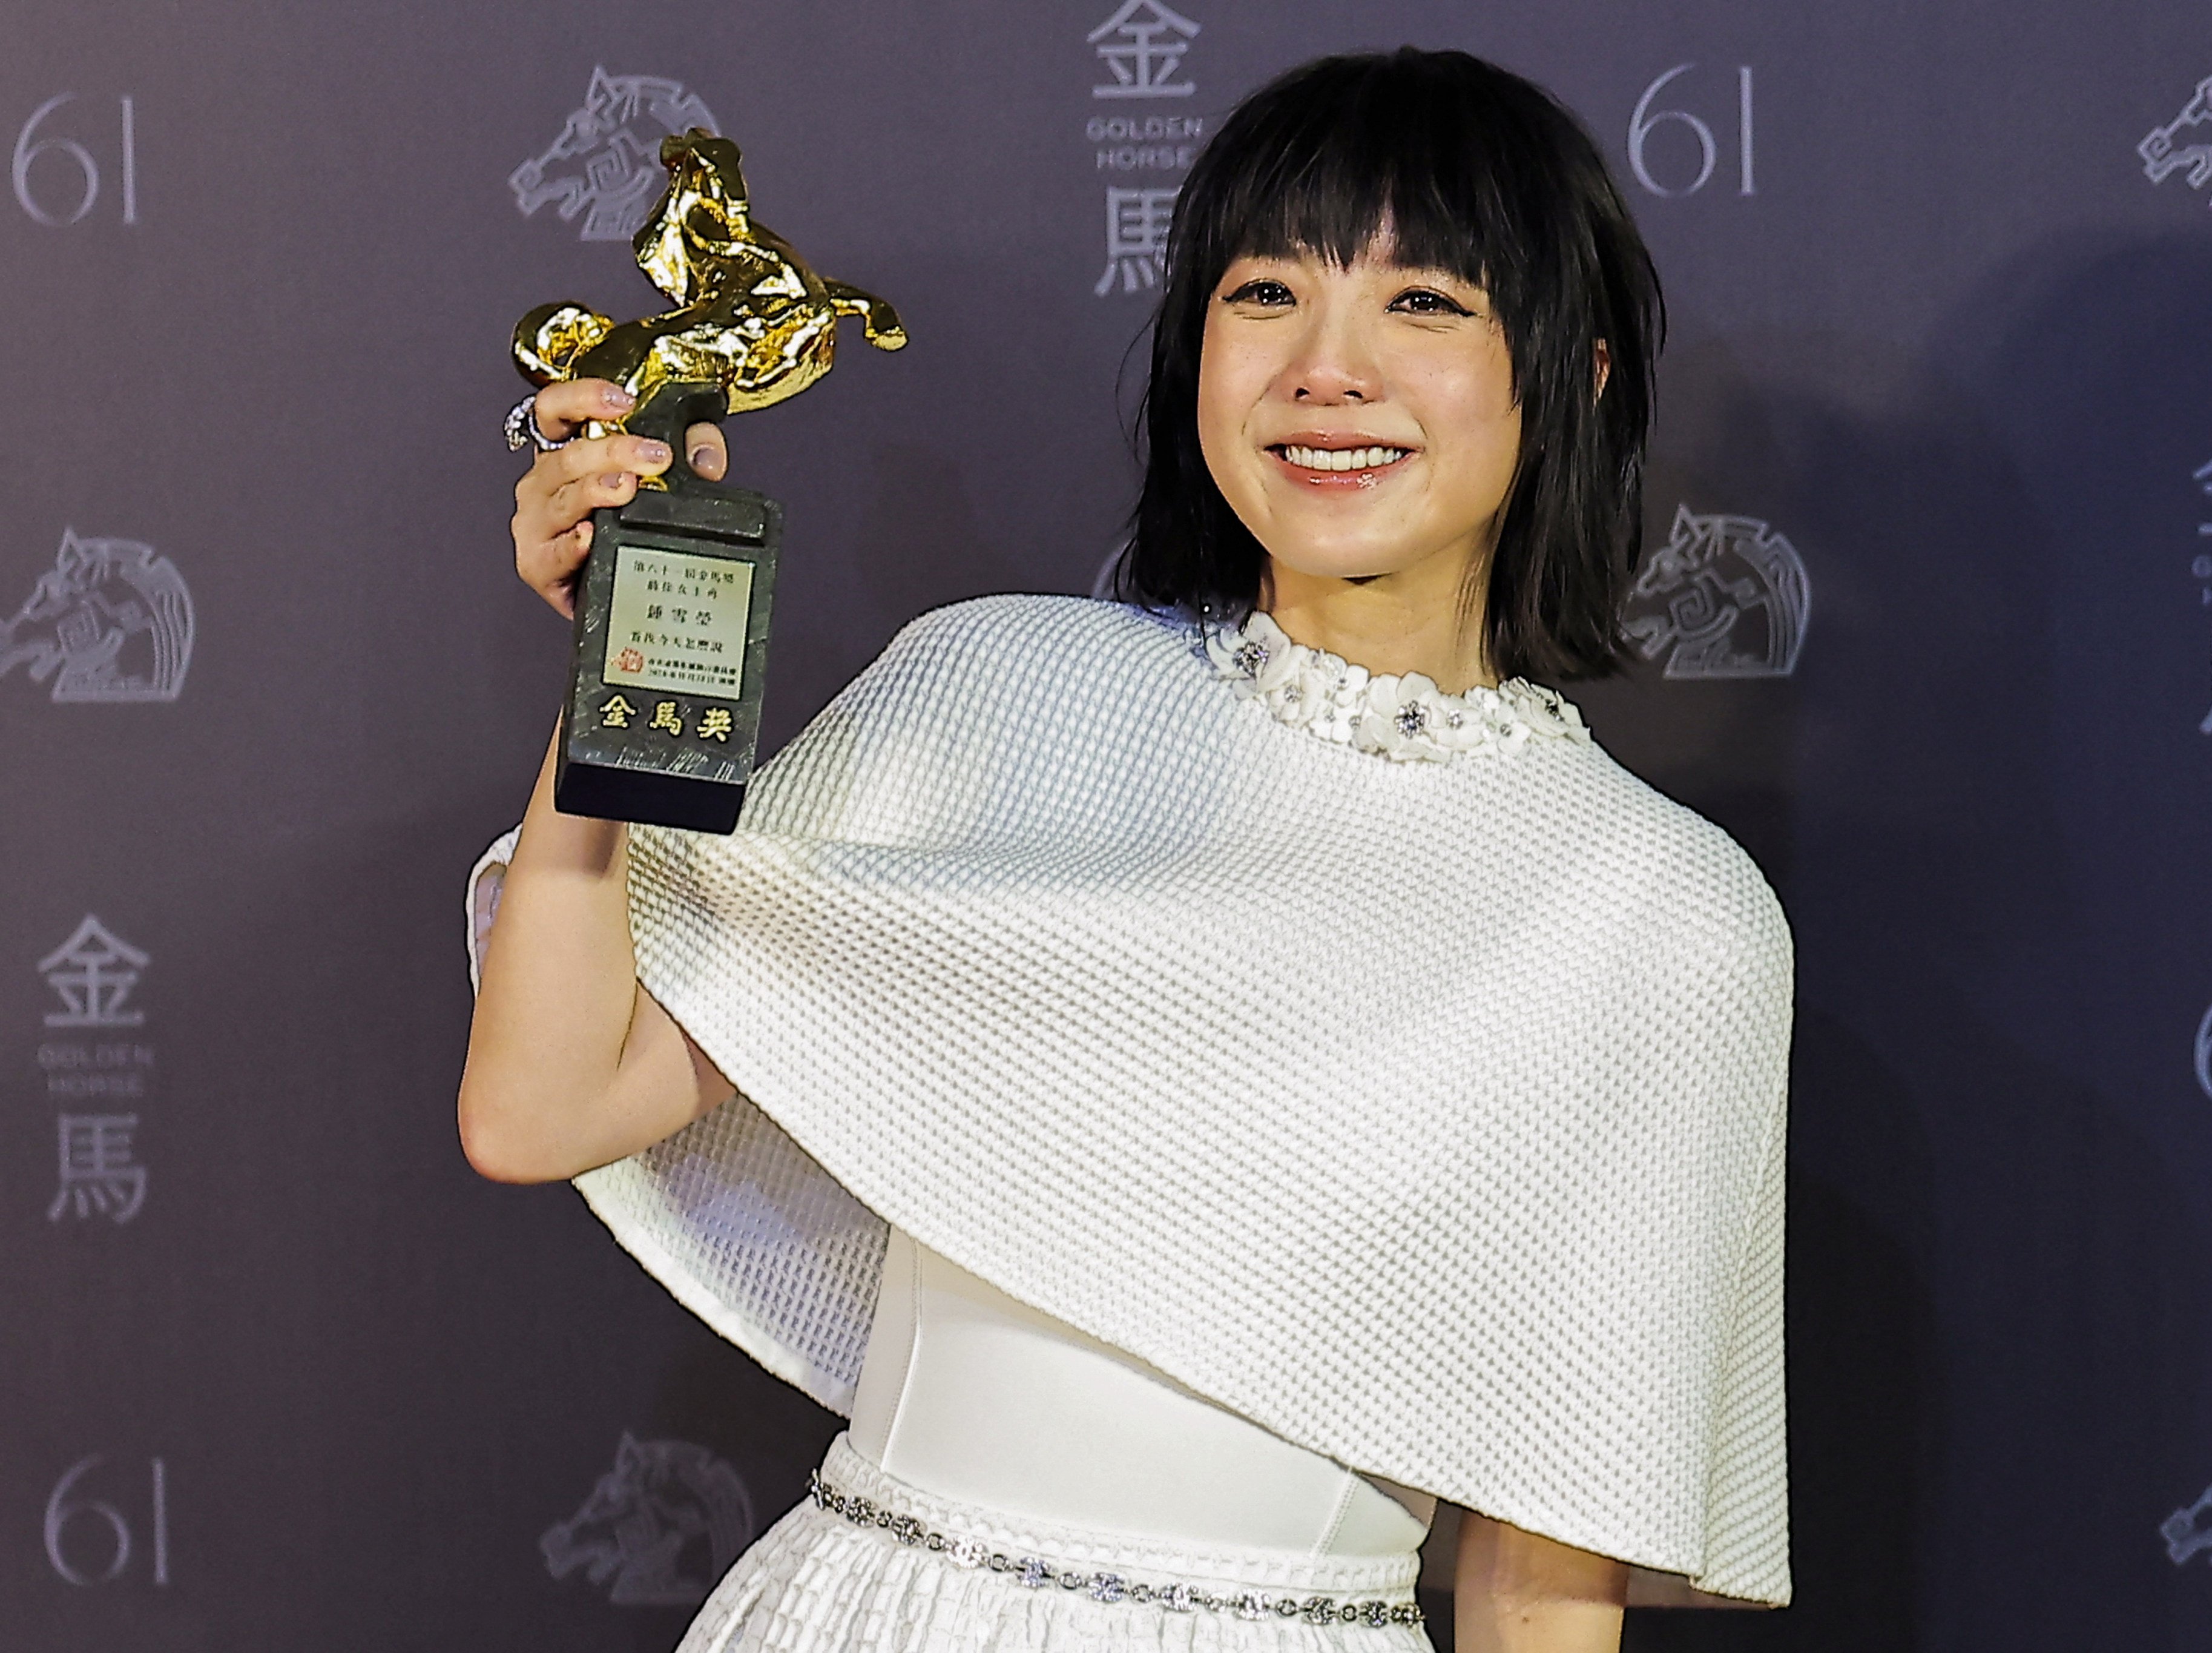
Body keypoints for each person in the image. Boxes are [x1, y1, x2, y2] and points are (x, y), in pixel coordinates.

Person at [461, 47, 1792, 1653]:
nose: (1327, 368)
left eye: (1424, 302)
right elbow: (545, 1101)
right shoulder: (999, 688)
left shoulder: (1661, 914)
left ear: (1570, 377)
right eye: (1268, 294)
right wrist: (622, 657)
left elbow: (1544, 1576)